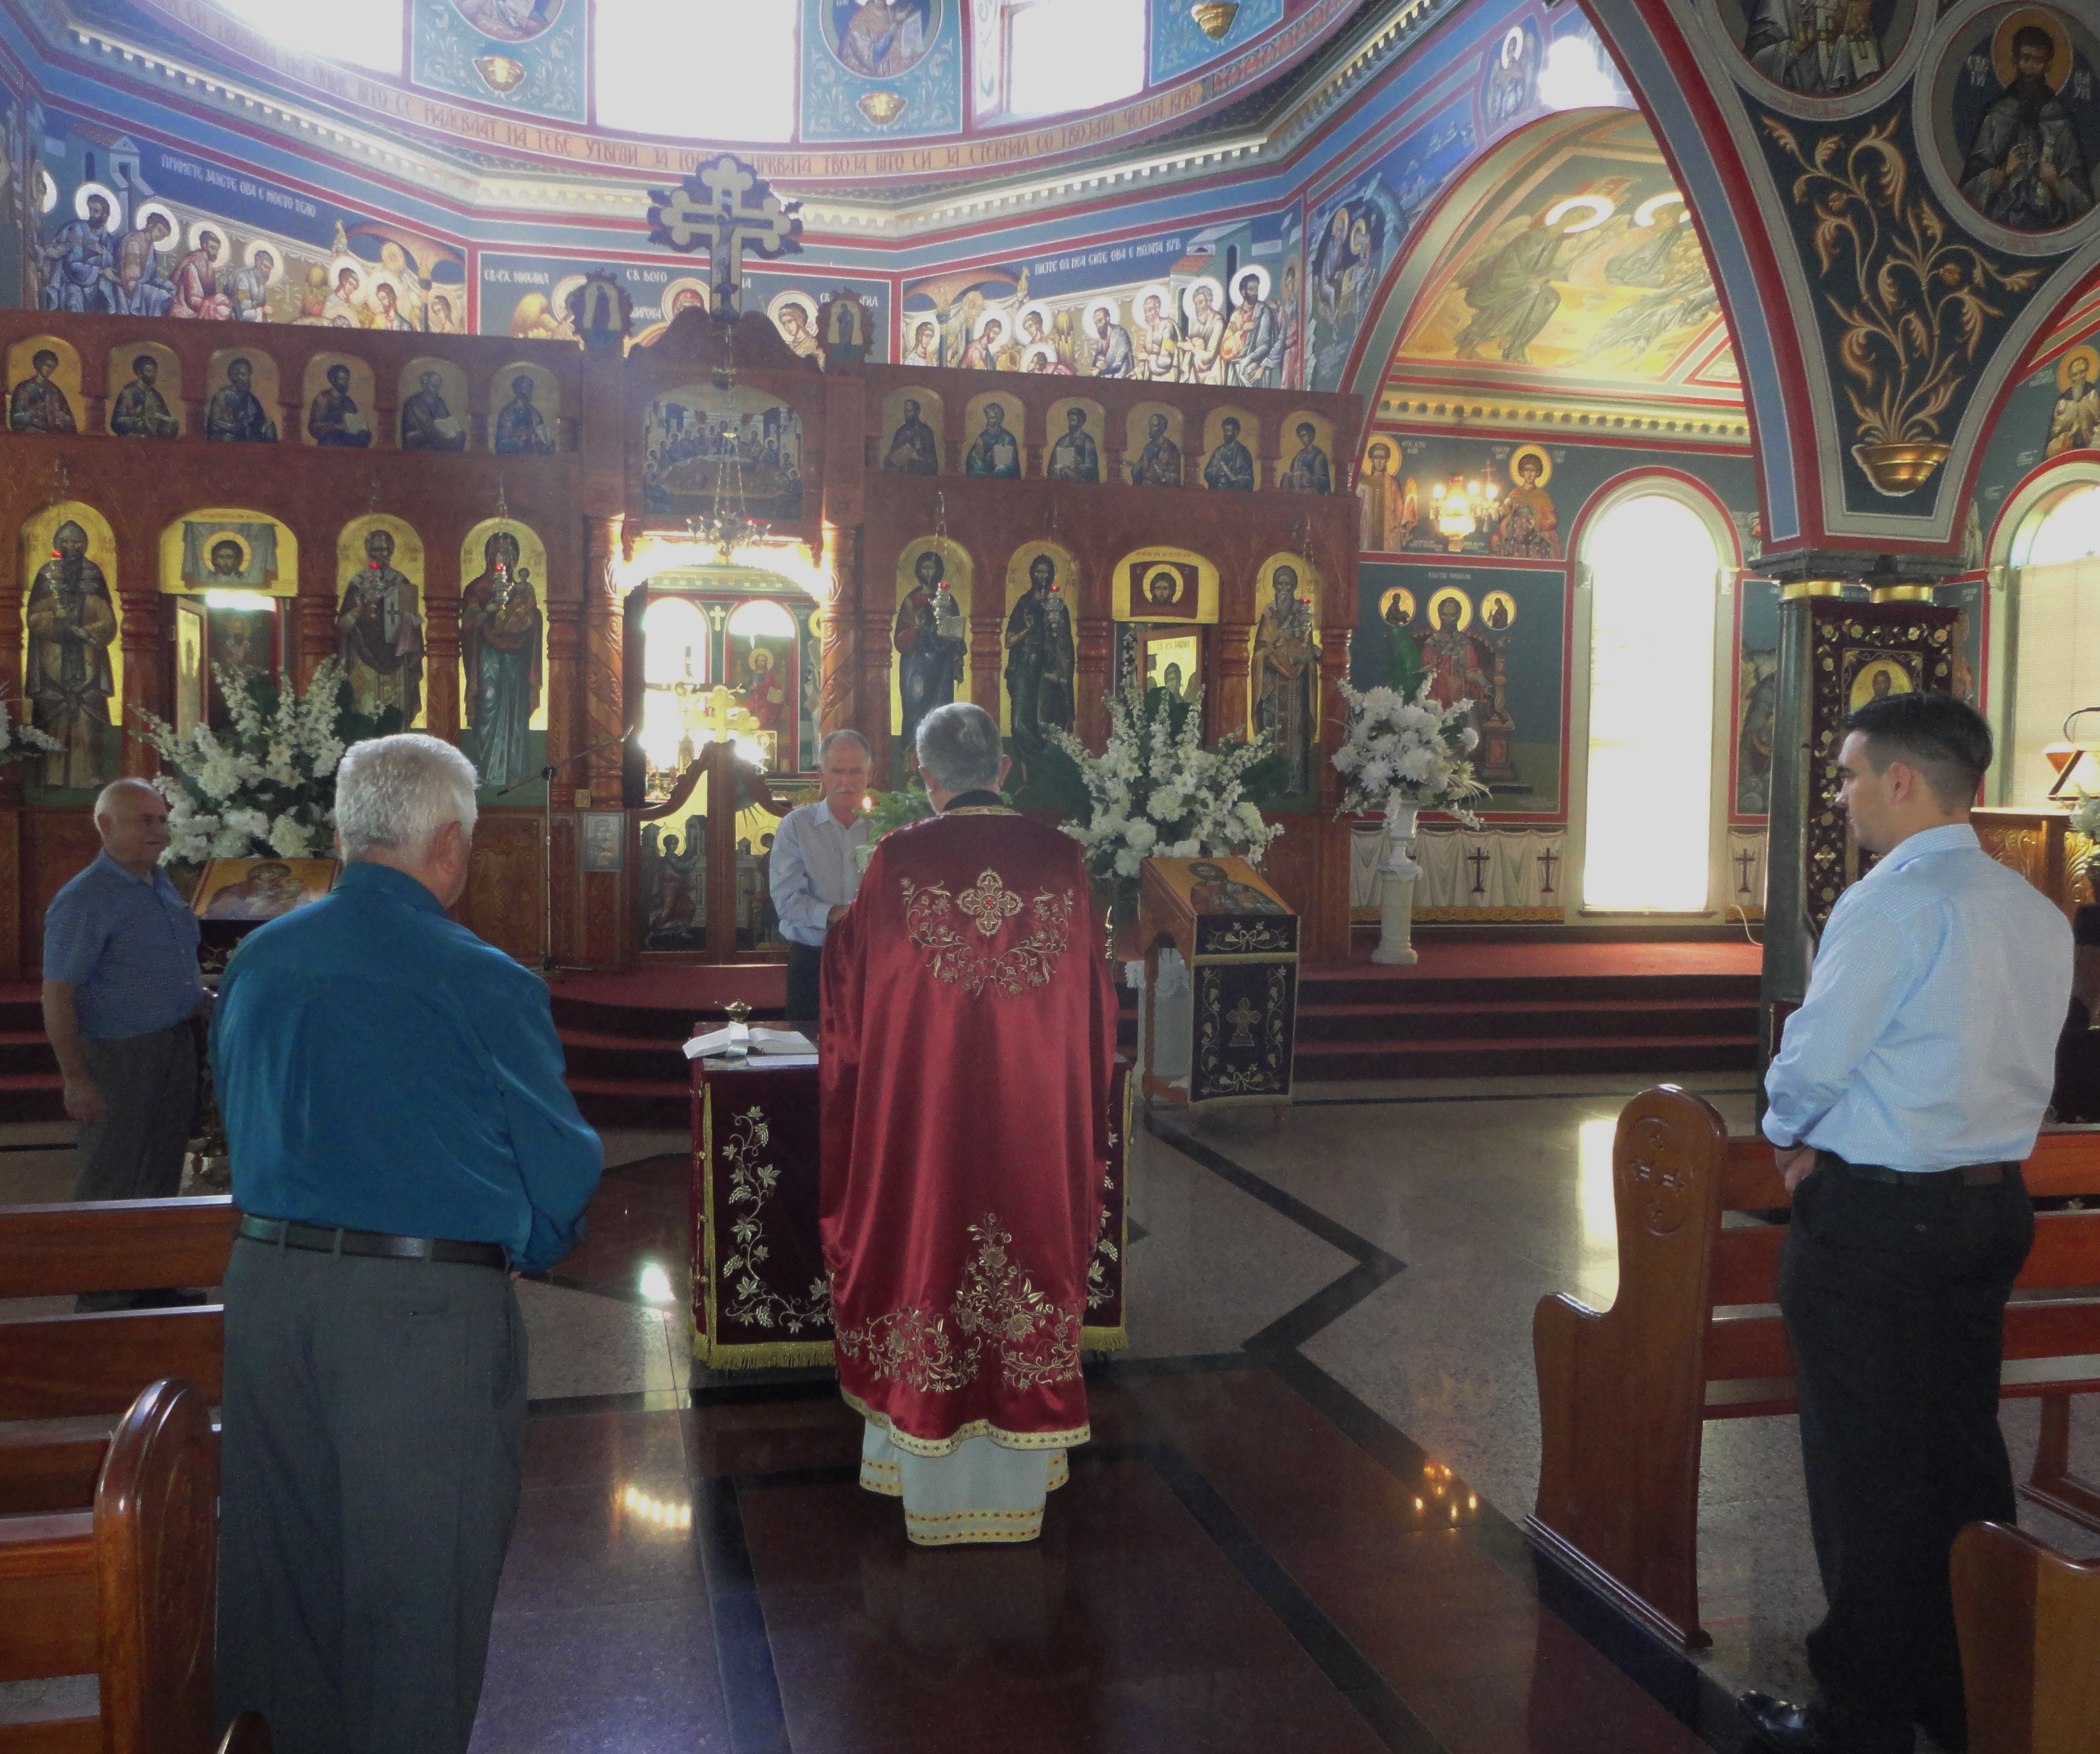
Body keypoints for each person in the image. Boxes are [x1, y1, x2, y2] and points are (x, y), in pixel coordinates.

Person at [211, 734, 600, 1754]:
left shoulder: (258, 960)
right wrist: (529, 1241)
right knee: (419, 1600)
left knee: (284, 1585)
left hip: (267, 1295)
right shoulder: (480, 978)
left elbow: (238, 1112)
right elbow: (559, 1166)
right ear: (449, 847)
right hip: (420, 1317)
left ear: (344, 836)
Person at [1744, 691, 2070, 1754]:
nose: (1840, 797)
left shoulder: (1886, 903)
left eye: (1847, 776)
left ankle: (1862, 1717)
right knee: (1959, 1456)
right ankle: (1962, 1691)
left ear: (1900, 780)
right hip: (1992, 1211)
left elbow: (1815, 1054)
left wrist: (1783, 1131)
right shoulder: (2030, 908)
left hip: (1880, 1224)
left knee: (1864, 1473)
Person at [820, 701, 1116, 1547]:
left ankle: (924, 1465)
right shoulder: (1062, 861)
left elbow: (851, 992)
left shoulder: (896, 859)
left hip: (928, 1131)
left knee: (927, 1248)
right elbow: (1095, 1006)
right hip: (1033, 1122)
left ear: (925, 777)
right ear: (1004, 768)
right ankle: (1022, 1476)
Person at [42, 782, 210, 1304]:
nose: (159, 831)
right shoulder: (85, 898)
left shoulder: (158, 883)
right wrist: (76, 1077)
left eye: (161, 819)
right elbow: (58, 993)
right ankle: (102, 1299)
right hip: (118, 1055)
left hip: (172, 1045)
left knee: (160, 1167)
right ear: (105, 825)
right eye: (144, 821)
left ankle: (151, 1282)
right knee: (112, 1175)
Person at [770, 730, 871, 1024]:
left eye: (856, 771)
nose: (847, 782)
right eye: (837, 771)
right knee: (809, 1044)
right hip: (813, 960)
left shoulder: (887, 826)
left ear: (870, 773)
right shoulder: (797, 826)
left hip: (873, 960)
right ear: (821, 774)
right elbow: (786, 900)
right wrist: (838, 914)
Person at [1958, 24, 2092, 232]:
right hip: (1998, 225)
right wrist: (2003, 171)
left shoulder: (2061, 121)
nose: (2031, 67)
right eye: (2026, 59)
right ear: (2015, 60)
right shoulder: (1997, 116)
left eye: (2039, 61)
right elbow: (1967, 192)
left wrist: (2055, 182)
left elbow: (2085, 204)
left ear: (2048, 65)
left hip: (2050, 227)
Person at [25, 519, 116, 788]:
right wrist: (56, 623)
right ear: (58, 544)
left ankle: (88, 776)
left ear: (85, 544)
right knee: (53, 716)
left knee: (86, 718)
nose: (71, 547)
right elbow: (34, 618)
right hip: (52, 659)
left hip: (88, 660)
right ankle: (51, 776)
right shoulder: (47, 573)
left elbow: (108, 622)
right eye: (66, 541)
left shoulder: (93, 574)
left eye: (77, 542)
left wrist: (85, 632)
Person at [205, 357, 278, 443]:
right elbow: (215, 421)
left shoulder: (251, 398)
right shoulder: (222, 396)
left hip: (249, 435)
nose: (247, 379)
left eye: (248, 375)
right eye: (243, 375)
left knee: (270, 428)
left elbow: (260, 419)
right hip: (229, 434)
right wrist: (234, 427)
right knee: (229, 438)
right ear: (234, 377)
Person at [109, 353, 179, 438]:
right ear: (140, 373)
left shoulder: (156, 395)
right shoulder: (128, 393)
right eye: (149, 372)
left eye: (154, 372)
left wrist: (167, 423)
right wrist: (137, 421)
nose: (153, 375)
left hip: (154, 441)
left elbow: (165, 419)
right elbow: (116, 423)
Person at [10, 348, 76, 432]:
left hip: (53, 434)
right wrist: (33, 414)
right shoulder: (23, 389)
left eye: (53, 367)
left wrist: (57, 414)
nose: (50, 370)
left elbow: (70, 421)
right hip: (31, 434)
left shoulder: (55, 391)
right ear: (38, 364)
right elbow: (15, 418)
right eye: (48, 366)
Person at [307, 362, 372, 447]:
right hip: (330, 444)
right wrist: (335, 426)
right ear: (333, 380)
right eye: (343, 379)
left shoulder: (348, 401)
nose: (346, 383)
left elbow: (355, 422)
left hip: (348, 441)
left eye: (347, 380)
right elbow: (314, 428)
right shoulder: (323, 399)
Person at [401, 369, 467, 451]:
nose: (430, 388)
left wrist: (455, 431)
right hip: (419, 439)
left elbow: (448, 419)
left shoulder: (439, 401)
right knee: (452, 442)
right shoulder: (414, 402)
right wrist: (447, 437)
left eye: (434, 385)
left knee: (461, 436)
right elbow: (427, 426)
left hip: (436, 435)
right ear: (422, 385)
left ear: (439, 386)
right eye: (427, 384)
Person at [495, 374, 554, 454]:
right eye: (526, 388)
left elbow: (541, 435)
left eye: (530, 388)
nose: (529, 392)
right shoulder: (508, 412)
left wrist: (544, 442)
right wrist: (521, 435)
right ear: (518, 390)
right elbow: (502, 440)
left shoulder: (534, 413)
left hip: (531, 454)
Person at [883, 398, 939, 474]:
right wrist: (898, 455)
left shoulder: (926, 431)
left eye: (910, 411)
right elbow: (888, 461)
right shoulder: (901, 432)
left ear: (918, 412)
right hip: (903, 475)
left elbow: (933, 464)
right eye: (906, 411)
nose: (908, 414)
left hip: (921, 475)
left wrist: (916, 457)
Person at [963, 402, 1020, 477]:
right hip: (983, 471)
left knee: (1002, 470)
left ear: (1001, 419)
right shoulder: (982, 438)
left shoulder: (1008, 438)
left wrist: (1001, 465)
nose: (993, 421)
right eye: (990, 418)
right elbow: (972, 461)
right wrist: (980, 458)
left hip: (1001, 472)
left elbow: (1014, 464)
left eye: (995, 418)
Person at [1045, 406, 1100, 482]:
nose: (1071, 424)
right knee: (1059, 471)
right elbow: (1051, 466)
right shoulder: (1062, 441)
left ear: (1081, 422)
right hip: (1063, 474)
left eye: (1074, 421)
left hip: (1082, 479)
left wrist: (1079, 463)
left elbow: (1092, 467)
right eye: (1070, 421)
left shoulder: (1088, 440)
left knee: (1065, 471)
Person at [1203, 415, 1255, 491]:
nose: (1226, 434)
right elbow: (1208, 473)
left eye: (1229, 430)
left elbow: (1249, 478)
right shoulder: (1219, 451)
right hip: (1220, 490)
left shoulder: (1243, 452)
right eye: (1225, 430)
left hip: (1238, 493)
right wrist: (1219, 473)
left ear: (1236, 433)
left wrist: (1236, 480)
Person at [1129, 411, 1182, 486]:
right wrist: (1136, 470)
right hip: (1145, 489)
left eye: (1154, 426)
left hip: (1163, 491)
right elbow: (1142, 471)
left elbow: (1175, 479)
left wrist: (1160, 473)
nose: (1151, 429)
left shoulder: (1171, 449)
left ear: (1162, 428)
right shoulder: (1148, 447)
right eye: (1151, 426)